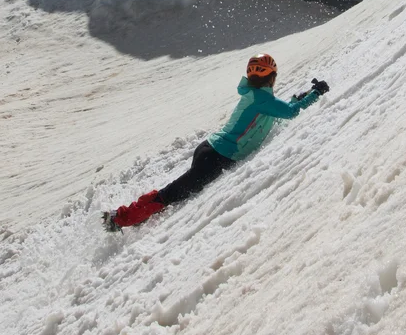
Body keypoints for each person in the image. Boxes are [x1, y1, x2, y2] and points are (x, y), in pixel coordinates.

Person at [103, 53, 329, 231]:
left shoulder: (256, 97)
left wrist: (297, 99)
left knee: (177, 191)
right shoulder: (262, 98)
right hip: (217, 157)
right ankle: (120, 217)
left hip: (210, 150)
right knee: (170, 194)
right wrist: (315, 94)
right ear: (272, 77)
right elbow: (289, 113)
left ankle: (138, 216)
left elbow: (270, 116)